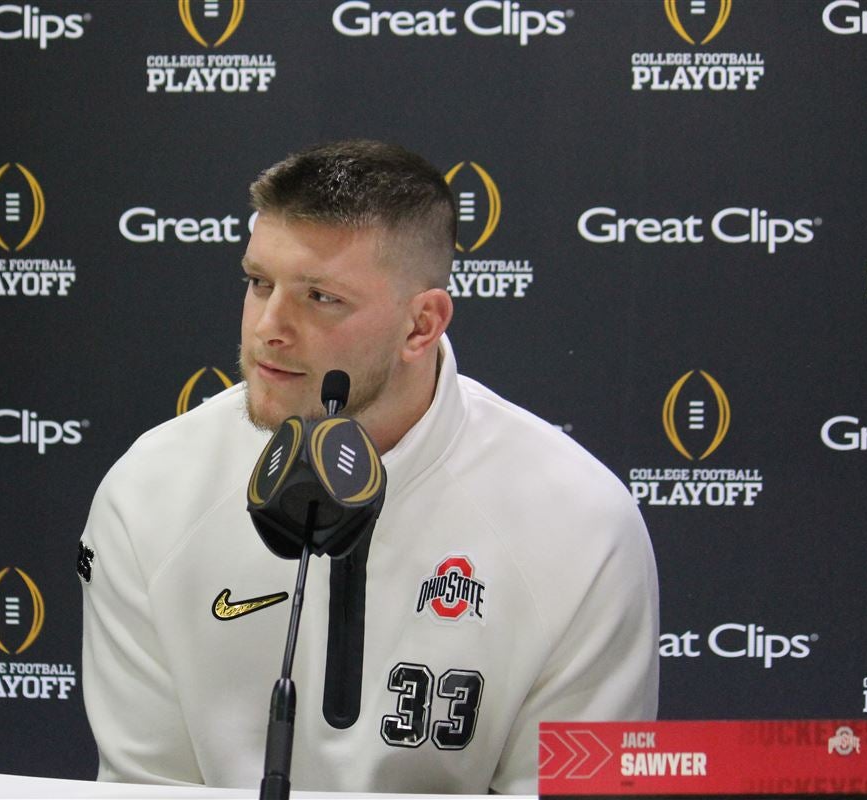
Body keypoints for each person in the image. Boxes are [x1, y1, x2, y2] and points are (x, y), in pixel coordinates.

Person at [77, 139, 659, 794]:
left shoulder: (582, 524)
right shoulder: (151, 491)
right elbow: (147, 787)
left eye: (320, 297)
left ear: (421, 325)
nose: (269, 326)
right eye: (258, 282)